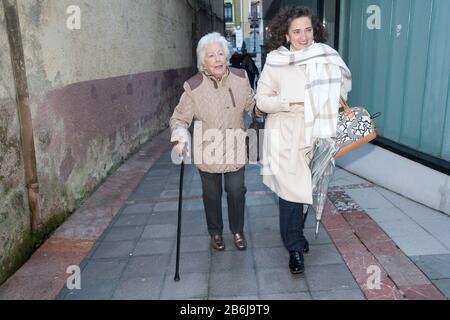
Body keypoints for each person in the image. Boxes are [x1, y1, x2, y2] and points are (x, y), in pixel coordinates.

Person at [255, 6, 351, 274]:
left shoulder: (326, 56)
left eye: (308, 29)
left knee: (305, 191)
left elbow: (343, 88)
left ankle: (297, 235)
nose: (303, 36)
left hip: (318, 134)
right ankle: (294, 247)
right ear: (286, 35)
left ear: (314, 30)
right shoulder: (276, 60)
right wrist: (289, 102)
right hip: (285, 134)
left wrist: (335, 87)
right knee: (290, 193)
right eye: (296, 31)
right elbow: (261, 101)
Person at [170, 32, 256, 251]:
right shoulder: (194, 86)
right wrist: (180, 135)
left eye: (220, 54)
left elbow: (252, 105)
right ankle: (215, 233)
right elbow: (179, 118)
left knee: (237, 191)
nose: (217, 59)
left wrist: (266, 106)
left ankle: (237, 230)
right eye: (211, 56)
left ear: (226, 56)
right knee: (212, 194)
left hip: (235, 146)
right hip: (208, 149)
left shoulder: (240, 77)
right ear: (203, 61)